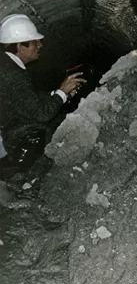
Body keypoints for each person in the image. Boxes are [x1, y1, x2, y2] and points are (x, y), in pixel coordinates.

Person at [0, 14, 86, 181]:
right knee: (44, 128)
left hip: (4, 123)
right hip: (2, 134)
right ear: (20, 46)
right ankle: (12, 172)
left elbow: (24, 98)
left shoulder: (6, 64)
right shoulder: (12, 74)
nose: (40, 45)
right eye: (35, 42)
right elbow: (41, 113)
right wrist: (62, 92)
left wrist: (59, 93)